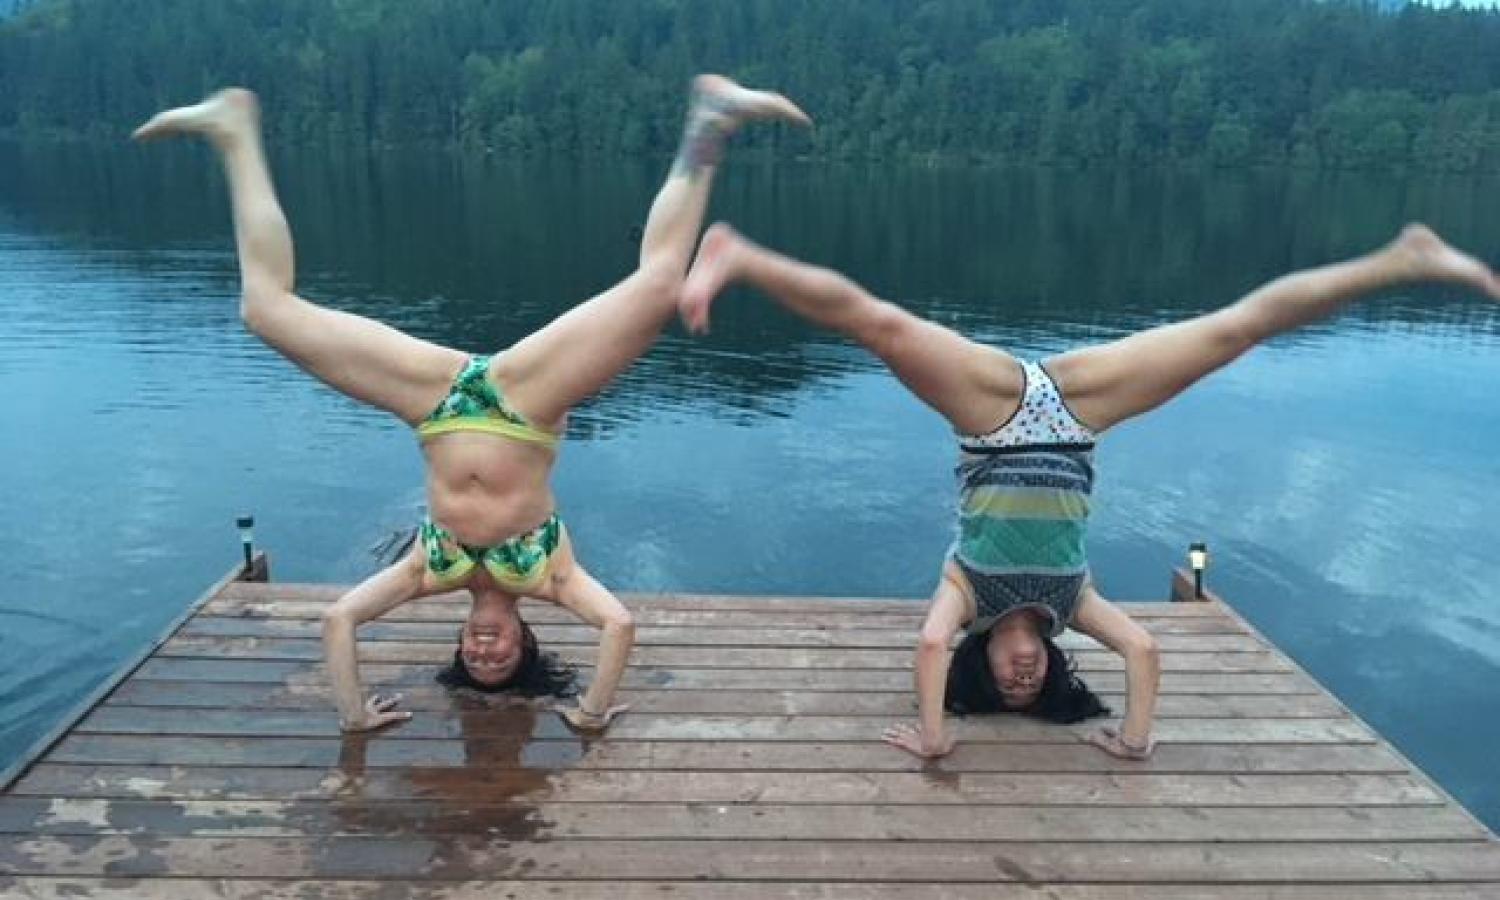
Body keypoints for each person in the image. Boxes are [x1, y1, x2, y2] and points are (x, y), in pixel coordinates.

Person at [132, 76, 810, 733]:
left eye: (473, 658)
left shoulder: (427, 572)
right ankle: (711, 121)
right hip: (522, 404)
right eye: (501, 658)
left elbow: (338, 621)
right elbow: (619, 626)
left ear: (459, 641)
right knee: (662, 282)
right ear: (524, 640)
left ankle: (234, 131)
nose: (485, 651)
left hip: (435, 401)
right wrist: (592, 711)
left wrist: (355, 714)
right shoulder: (553, 577)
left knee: (264, 310)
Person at [677, 220, 1500, 759]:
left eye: (1007, 681)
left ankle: (740, 257)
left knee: (883, 327)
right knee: (1232, 333)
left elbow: (928, 647)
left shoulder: (965, 593)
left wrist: (934, 738)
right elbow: (1144, 650)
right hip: (1077, 413)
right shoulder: (1073, 602)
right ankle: (1402, 258)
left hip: (992, 409)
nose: (1025, 675)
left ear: (985, 658)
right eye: (1033, 684)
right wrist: (1134, 744)